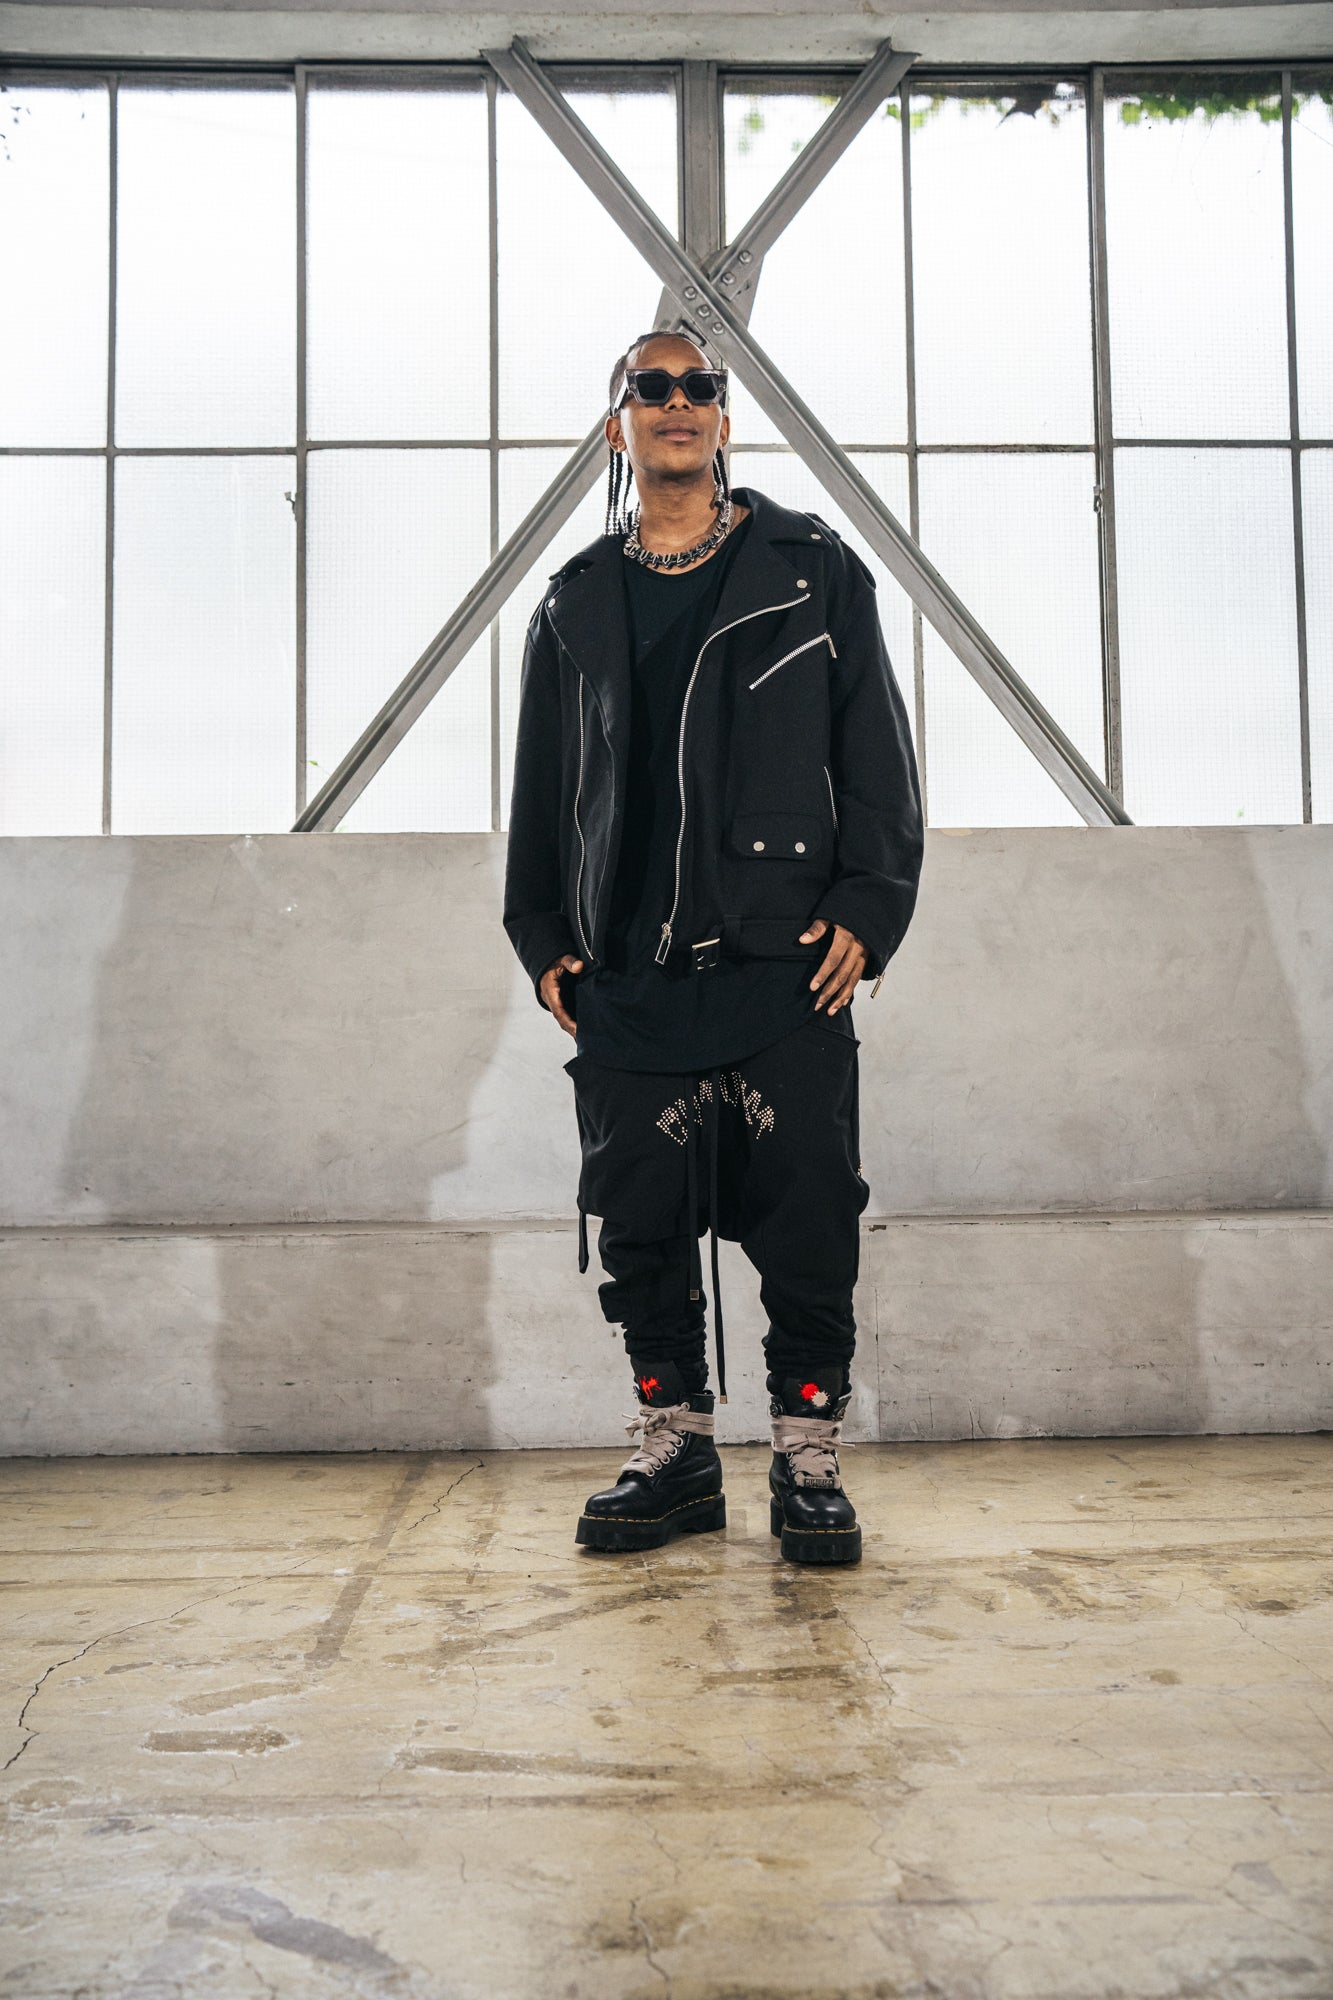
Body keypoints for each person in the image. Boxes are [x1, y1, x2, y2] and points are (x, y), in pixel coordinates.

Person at [503, 327, 924, 1565]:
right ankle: (675, 1448)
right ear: (619, 424)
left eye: (699, 387)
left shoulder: (810, 570)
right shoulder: (574, 598)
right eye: (652, 387)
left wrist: (870, 906)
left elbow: (878, 758)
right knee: (637, 1219)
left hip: (782, 958)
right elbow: (540, 792)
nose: (677, 402)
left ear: (725, 421)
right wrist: (542, 936)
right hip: (626, 970)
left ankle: (807, 1453)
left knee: (808, 1210)